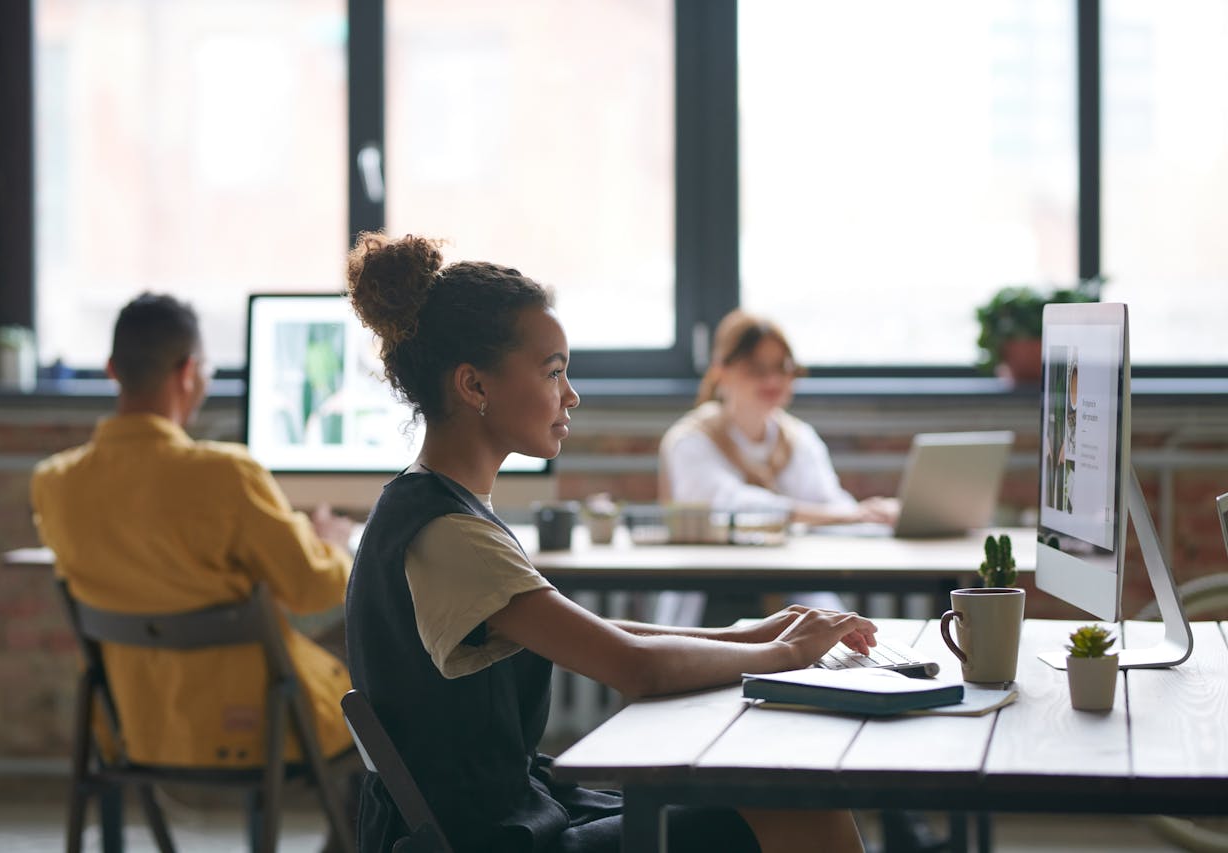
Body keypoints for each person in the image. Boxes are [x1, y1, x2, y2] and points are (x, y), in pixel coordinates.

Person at [343, 232, 877, 853]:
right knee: (802, 813)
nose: (571, 395)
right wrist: (781, 656)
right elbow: (635, 667)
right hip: (496, 838)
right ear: (474, 386)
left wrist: (758, 633)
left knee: (780, 800)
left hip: (511, 813)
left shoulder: (437, 508)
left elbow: (603, 634)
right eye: (553, 372)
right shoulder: (446, 534)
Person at [30, 294, 356, 785]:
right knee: (392, 687)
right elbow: (313, 589)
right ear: (188, 372)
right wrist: (332, 546)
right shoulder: (228, 474)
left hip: (134, 731)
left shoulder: (54, 483)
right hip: (264, 728)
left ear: (112, 370)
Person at [660, 309, 898, 527]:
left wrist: (874, 514)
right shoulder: (691, 440)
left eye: (782, 368)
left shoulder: (798, 437)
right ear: (721, 372)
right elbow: (725, 507)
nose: (772, 381)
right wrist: (843, 515)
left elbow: (830, 503)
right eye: (756, 368)